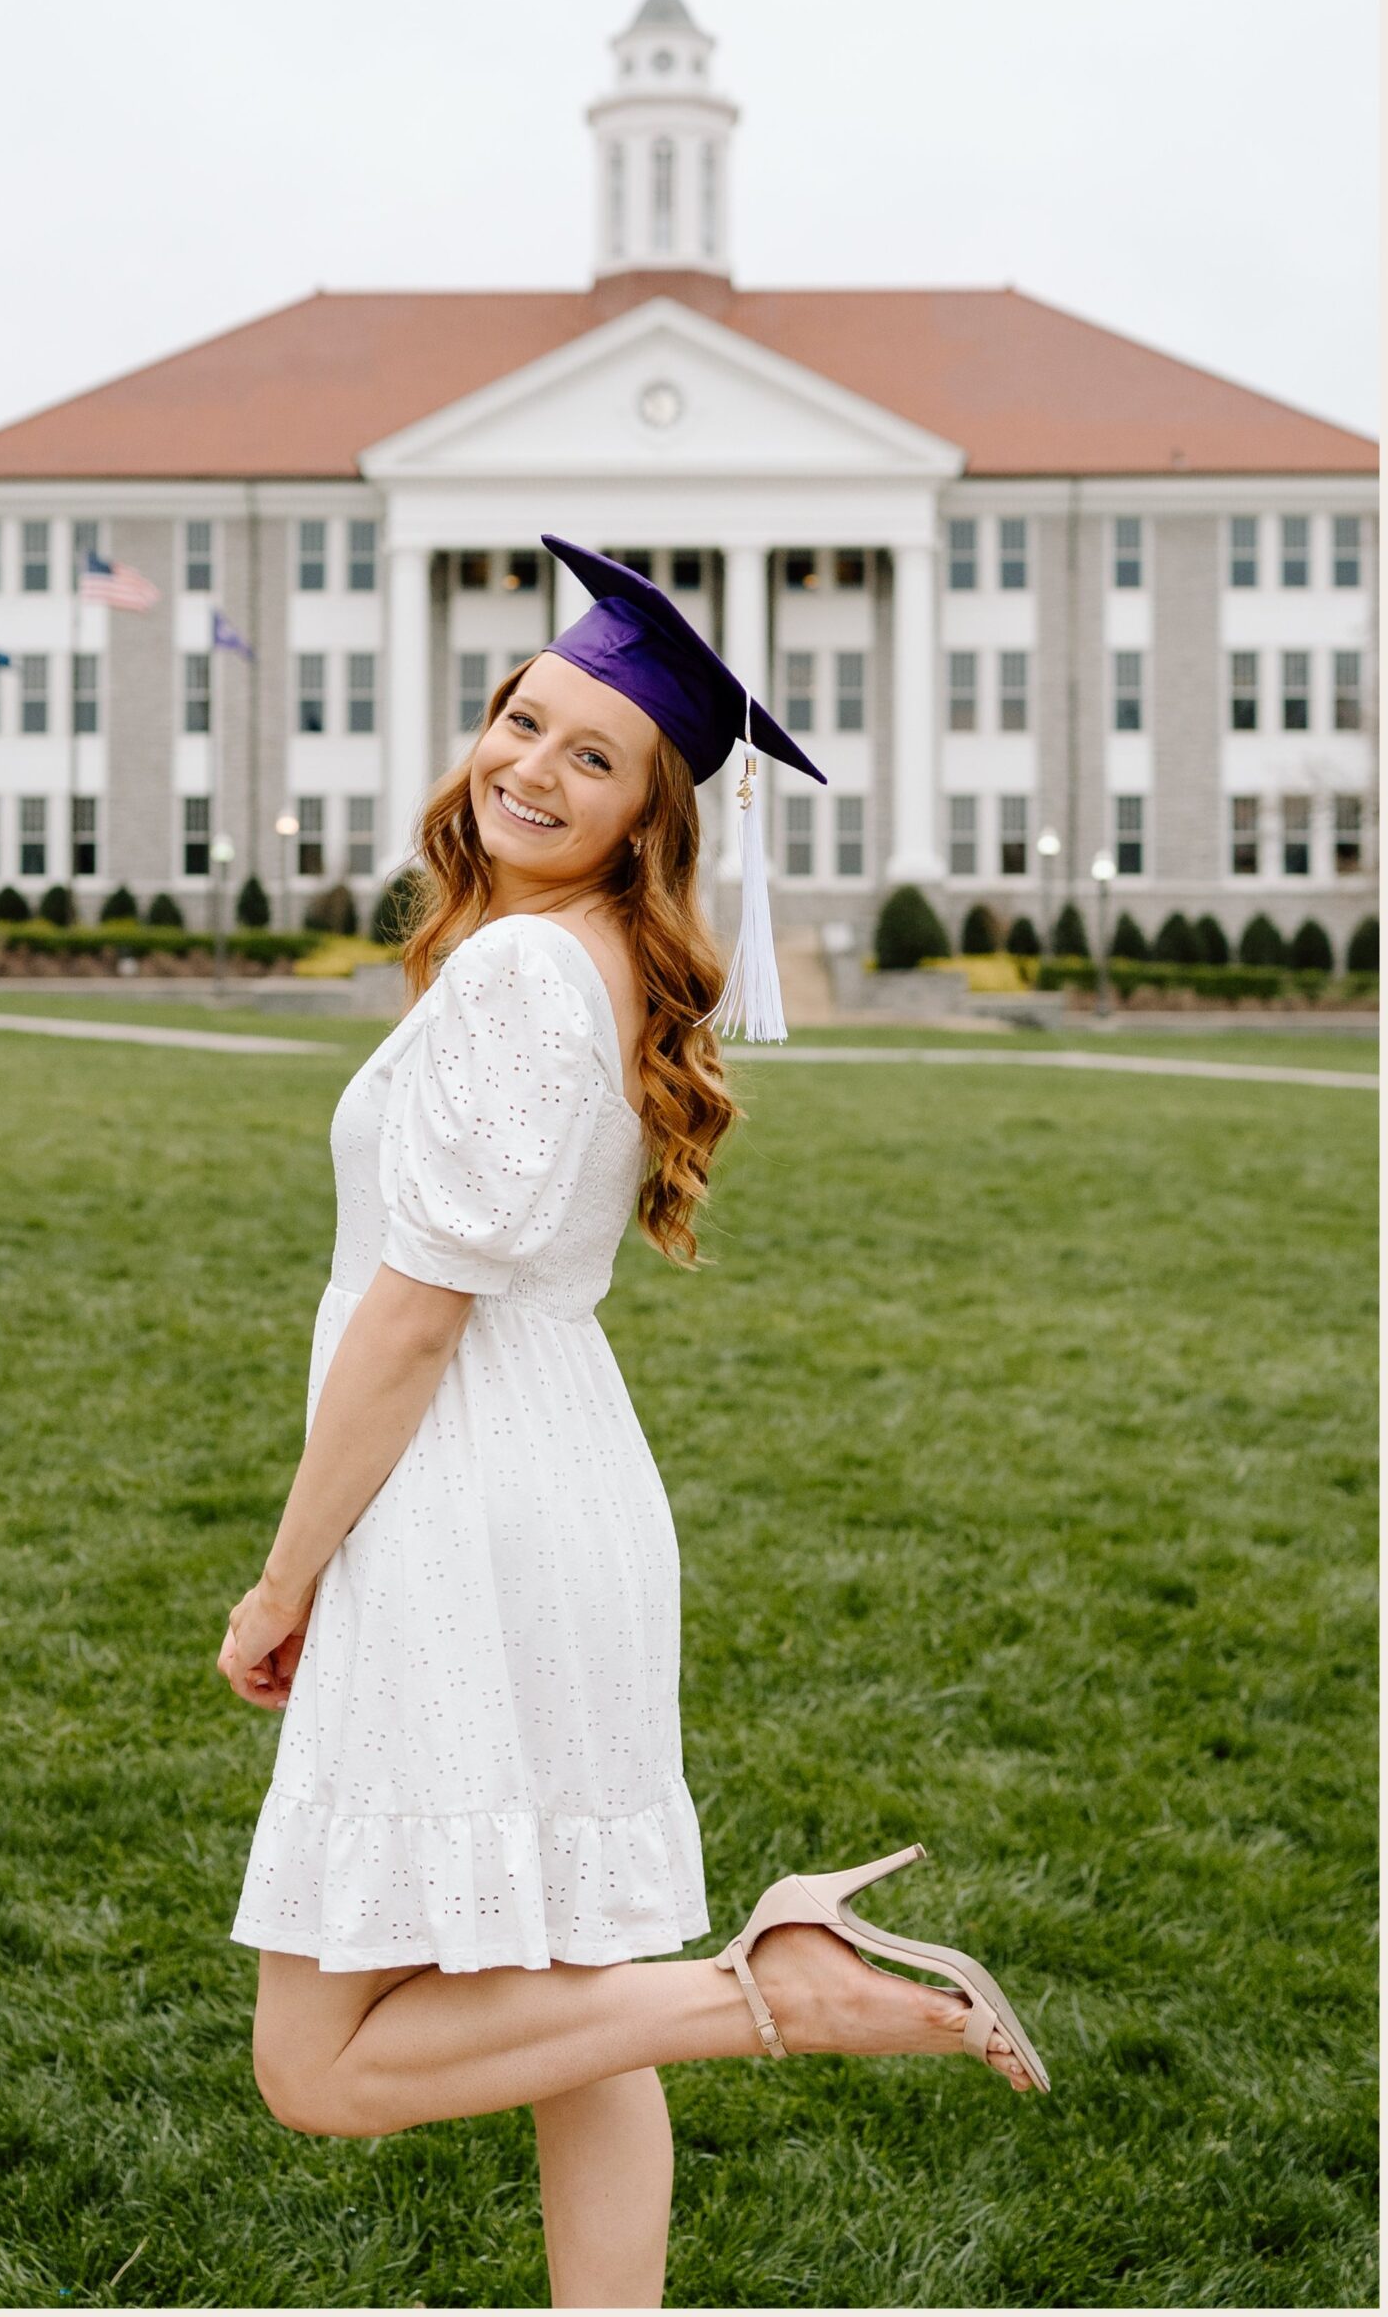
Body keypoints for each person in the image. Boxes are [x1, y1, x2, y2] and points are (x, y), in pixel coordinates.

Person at [219, 537, 1047, 2310]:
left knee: (319, 2063)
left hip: (455, 1511)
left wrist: (281, 1582)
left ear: (644, 814)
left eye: (591, 757)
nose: (531, 764)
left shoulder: (520, 977)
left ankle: (780, 1988)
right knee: (576, 2014)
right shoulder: (584, 957)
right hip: (568, 1496)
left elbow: (414, 1321)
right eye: (522, 720)